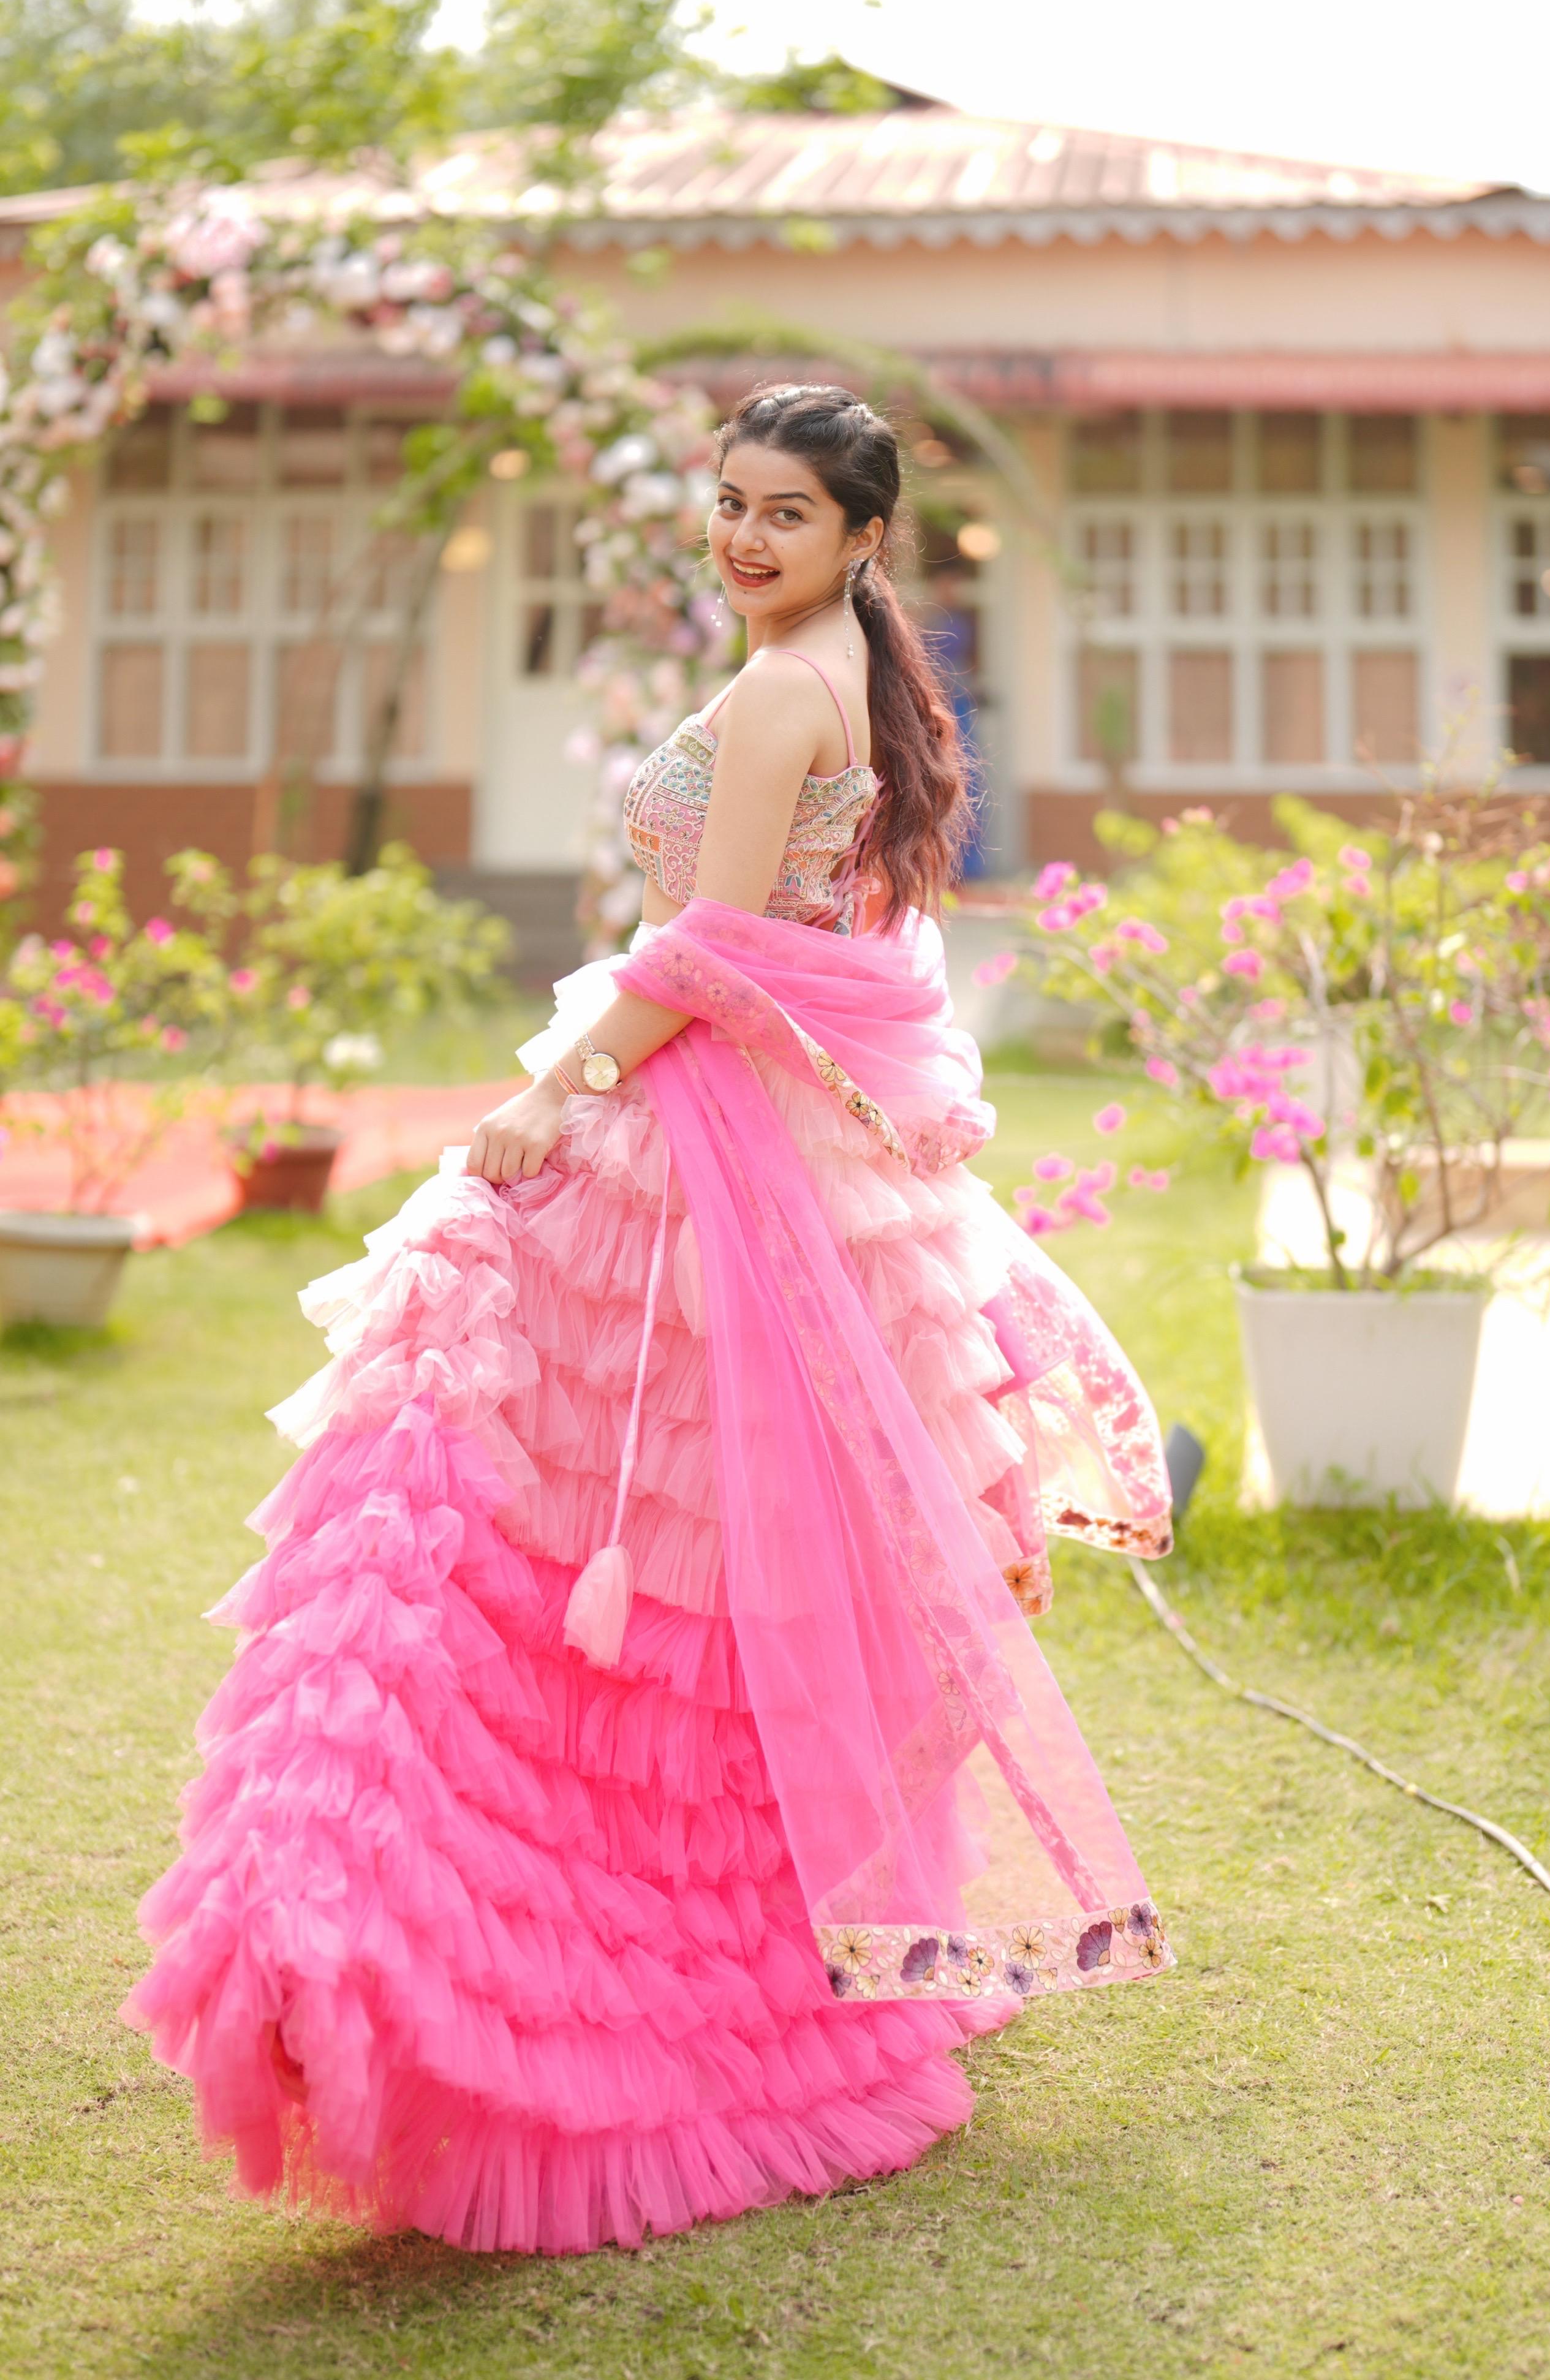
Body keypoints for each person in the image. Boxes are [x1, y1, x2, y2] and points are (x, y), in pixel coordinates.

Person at [123, 385, 1176, 2259]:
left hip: (690, 1118)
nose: (744, 536)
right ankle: (728, 1924)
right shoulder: (843, 665)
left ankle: (574, 1951)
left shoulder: (786, 690)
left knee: (547, 1502)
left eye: (786, 511)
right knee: (714, 1542)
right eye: (727, 504)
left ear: (865, 535)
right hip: (751, 1118)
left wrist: (557, 1091)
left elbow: (706, 947)